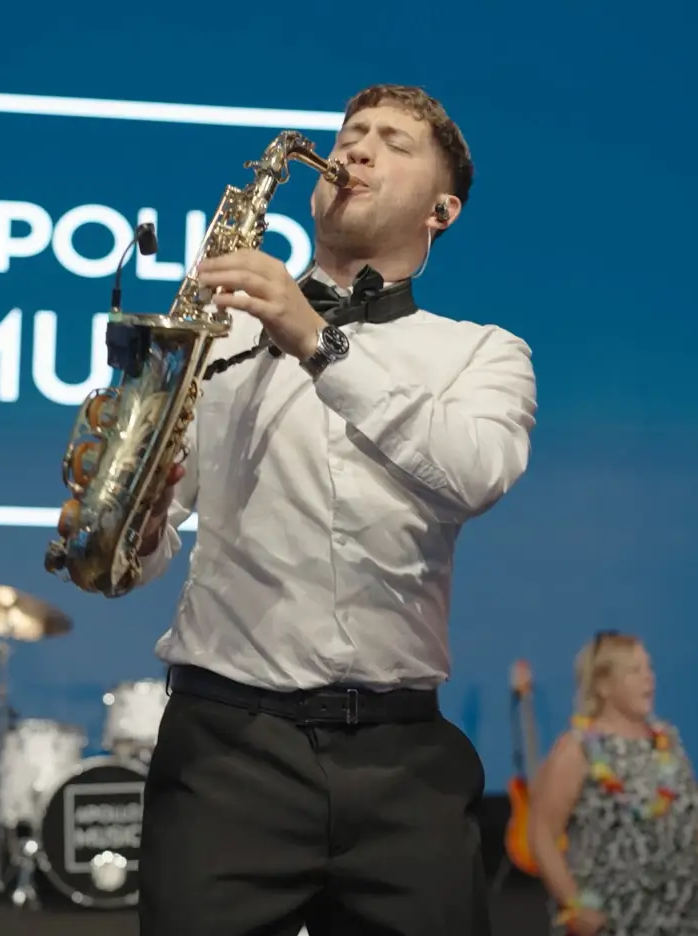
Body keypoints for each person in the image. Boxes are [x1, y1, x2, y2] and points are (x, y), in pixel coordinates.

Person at [114, 83, 538, 936]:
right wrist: (139, 523)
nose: (356, 149)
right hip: (226, 751)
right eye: (351, 133)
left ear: (443, 210)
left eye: (392, 140)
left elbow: (475, 472)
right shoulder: (219, 332)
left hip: (403, 764)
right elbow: (146, 549)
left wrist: (313, 337)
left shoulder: (482, 353)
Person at [527, 632, 698, 936]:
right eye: (635, 671)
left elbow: (693, 821)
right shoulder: (577, 749)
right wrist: (572, 903)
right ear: (603, 685)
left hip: (678, 917)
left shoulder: (667, 741)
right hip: (609, 922)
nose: (649, 678)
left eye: (650, 668)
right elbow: (541, 834)